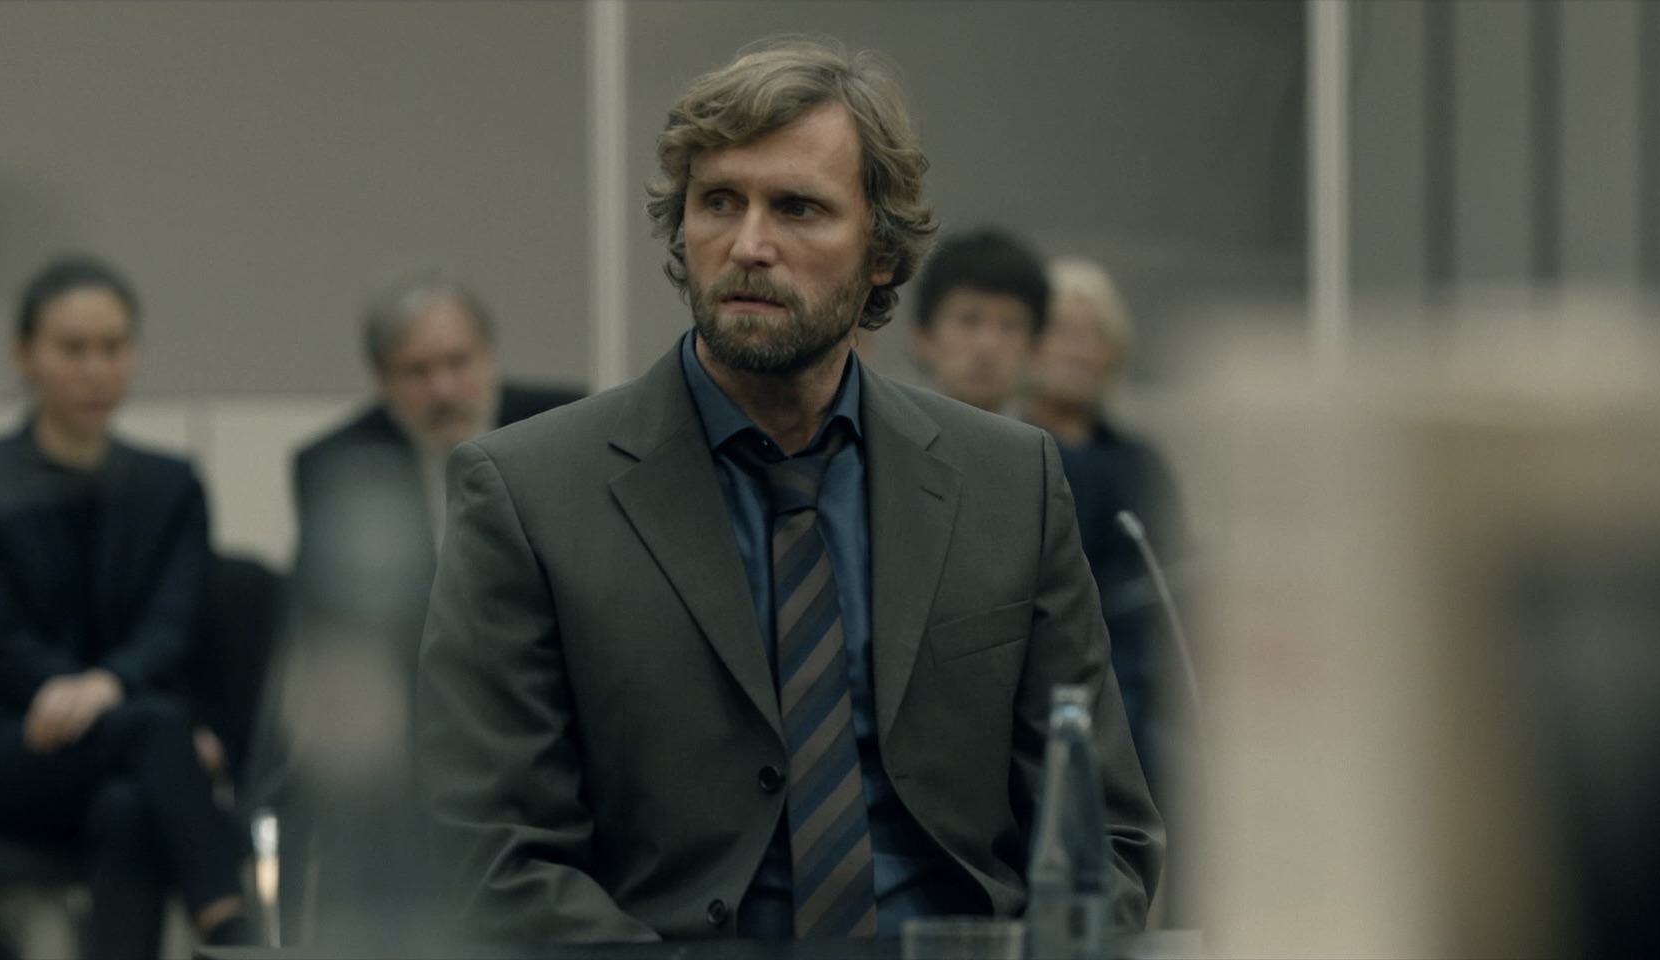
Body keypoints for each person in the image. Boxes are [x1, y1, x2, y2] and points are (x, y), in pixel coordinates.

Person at [415, 38, 1163, 945]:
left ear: (881, 252)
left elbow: (1105, 833)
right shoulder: (529, 495)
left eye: (798, 208)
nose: (749, 246)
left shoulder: (1009, 482)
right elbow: (489, 856)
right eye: (718, 202)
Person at [0, 256, 253, 958]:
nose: (97, 370)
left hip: (128, 749)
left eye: (114, 346)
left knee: (131, 804)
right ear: (25, 356)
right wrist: (90, 695)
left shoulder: (170, 485)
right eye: (73, 349)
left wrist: (105, 689)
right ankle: (234, 932)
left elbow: (172, 623)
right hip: (4, 742)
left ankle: (227, 931)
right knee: (159, 729)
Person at [271, 271, 580, 947]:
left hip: (543, 697)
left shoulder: (563, 428)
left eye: (458, 362)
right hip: (410, 713)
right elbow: (340, 630)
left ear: (489, 356)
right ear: (382, 382)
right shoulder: (336, 462)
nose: (443, 389)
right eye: (416, 372)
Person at [1025, 257, 1189, 803]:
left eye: (1094, 334)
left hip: (1142, 695)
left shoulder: (1141, 461)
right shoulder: (1005, 455)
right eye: (1062, 332)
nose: (1078, 350)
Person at [910, 228, 1049, 415]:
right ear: (924, 338)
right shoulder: (879, 432)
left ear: (1035, 349)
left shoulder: (1049, 436)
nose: (987, 344)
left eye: (1009, 326)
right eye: (969, 321)